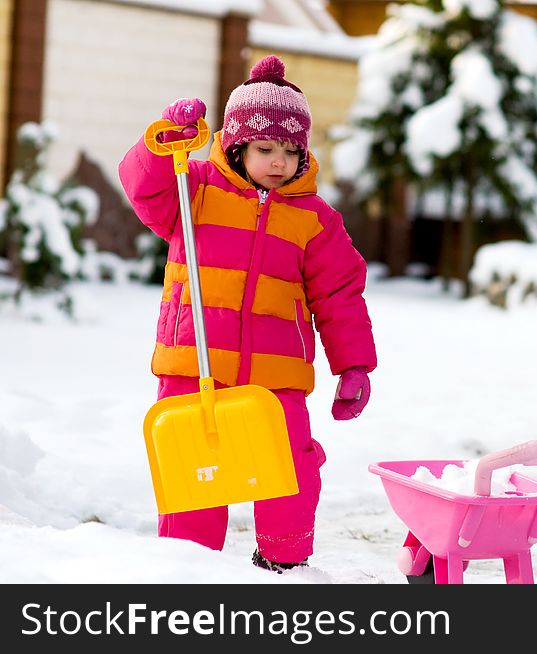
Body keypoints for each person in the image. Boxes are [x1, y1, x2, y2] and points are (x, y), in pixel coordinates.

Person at [118, 55, 377, 573]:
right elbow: (143, 187)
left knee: (290, 468)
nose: (278, 162)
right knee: (195, 467)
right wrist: (163, 139)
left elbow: (340, 295)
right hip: (196, 363)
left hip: (275, 373)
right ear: (237, 145)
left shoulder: (314, 220)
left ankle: (285, 561)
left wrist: (353, 366)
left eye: (289, 151)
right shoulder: (194, 190)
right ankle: (188, 565)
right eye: (264, 149)